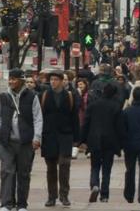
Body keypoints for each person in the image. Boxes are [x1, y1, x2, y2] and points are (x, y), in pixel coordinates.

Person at [0, 68, 43, 211]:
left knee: (23, 173)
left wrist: (37, 137)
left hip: (25, 142)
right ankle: (6, 204)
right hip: (7, 142)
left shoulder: (32, 96)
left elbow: (38, 118)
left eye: (14, 79)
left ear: (21, 80)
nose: (11, 81)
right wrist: (0, 128)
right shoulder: (4, 97)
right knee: (6, 172)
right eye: (10, 79)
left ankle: (22, 204)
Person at [40, 70, 80, 207]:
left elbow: (75, 117)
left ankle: (64, 195)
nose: (53, 82)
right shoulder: (44, 95)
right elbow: (40, 117)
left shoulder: (69, 95)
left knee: (64, 165)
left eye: (56, 80)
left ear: (62, 81)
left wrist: (77, 139)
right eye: (51, 80)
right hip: (49, 135)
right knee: (51, 168)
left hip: (65, 135)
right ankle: (51, 196)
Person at [81, 83, 124, 203]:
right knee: (107, 169)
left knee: (95, 166)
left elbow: (86, 123)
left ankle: (95, 185)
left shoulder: (93, 105)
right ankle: (104, 195)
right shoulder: (116, 107)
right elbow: (119, 127)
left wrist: (82, 139)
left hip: (94, 139)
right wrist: (121, 144)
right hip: (110, 140)